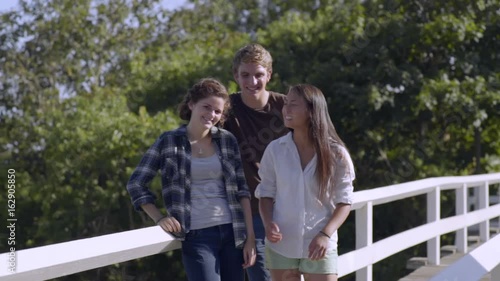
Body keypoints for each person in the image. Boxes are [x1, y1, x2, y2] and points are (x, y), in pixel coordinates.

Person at [126, 78, 256, 281]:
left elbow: (242, 191)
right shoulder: (169, 141)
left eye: (217, 111)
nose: (211, 115)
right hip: (196, 236)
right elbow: (136, 183)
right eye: (206, 107)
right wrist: (159, 218)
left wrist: (250, 239)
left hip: (233, 232)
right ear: (191, 104)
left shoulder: (227, 140)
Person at [256, 84, 355, 281]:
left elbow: (344, 202)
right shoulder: (275, 150)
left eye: (293, 104)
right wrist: (268, 223)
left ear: (311, 111)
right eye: (286, 104)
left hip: (319, 245)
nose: (286, 109)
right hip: (281, 246)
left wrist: (325, 235)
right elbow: (265, 193)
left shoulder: (336, 154)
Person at [223, 43, 289, 281]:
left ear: (269, 75)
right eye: (245, 75)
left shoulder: (287, 106)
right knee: (261, 276)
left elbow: (321, 142)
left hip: (290, 207)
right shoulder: (226, 110)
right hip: (250, 213)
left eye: (259, 75)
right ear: (235, 76)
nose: (252, 82)